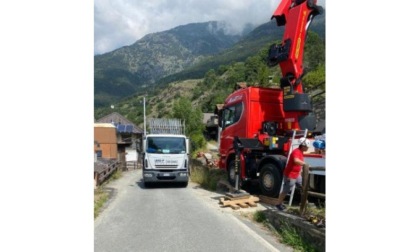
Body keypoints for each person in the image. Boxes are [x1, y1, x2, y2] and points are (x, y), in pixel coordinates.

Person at [276, 137, 310, 211]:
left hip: (297, 174)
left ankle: (305, 203)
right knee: (286, 189)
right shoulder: (296, 152)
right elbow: (296, 160)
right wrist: (305, 164)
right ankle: (278, 204)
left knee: (303, 187)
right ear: (303, 146)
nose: (308, 148)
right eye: (307, 146)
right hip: (290, 175)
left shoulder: (300, 152)